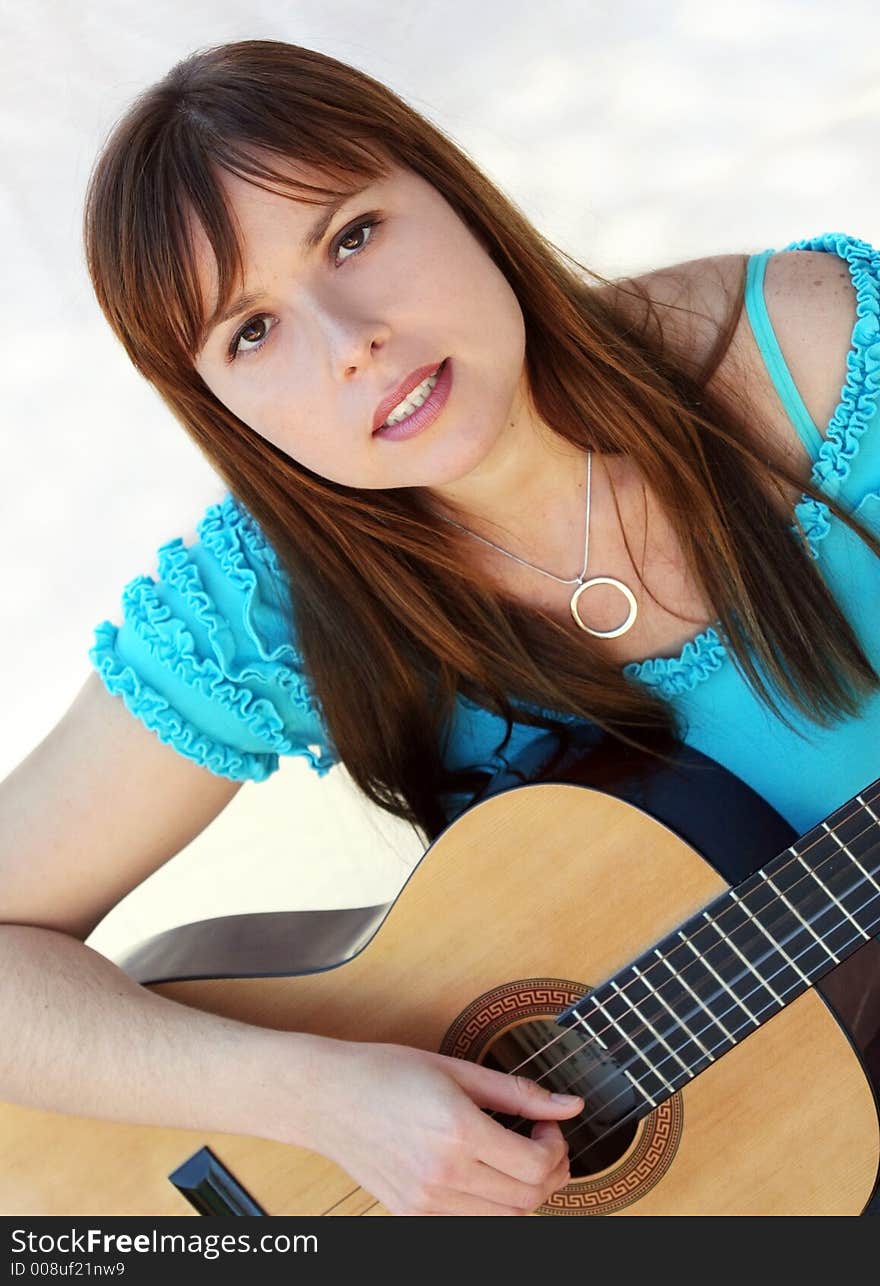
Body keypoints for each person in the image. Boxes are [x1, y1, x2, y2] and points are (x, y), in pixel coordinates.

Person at [1, 37, 878, 1217]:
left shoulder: (815, 354)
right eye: (249, 332)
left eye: (351, 234)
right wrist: (324, 1099)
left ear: (449, 188)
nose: (348, 338)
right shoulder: (266, 599)